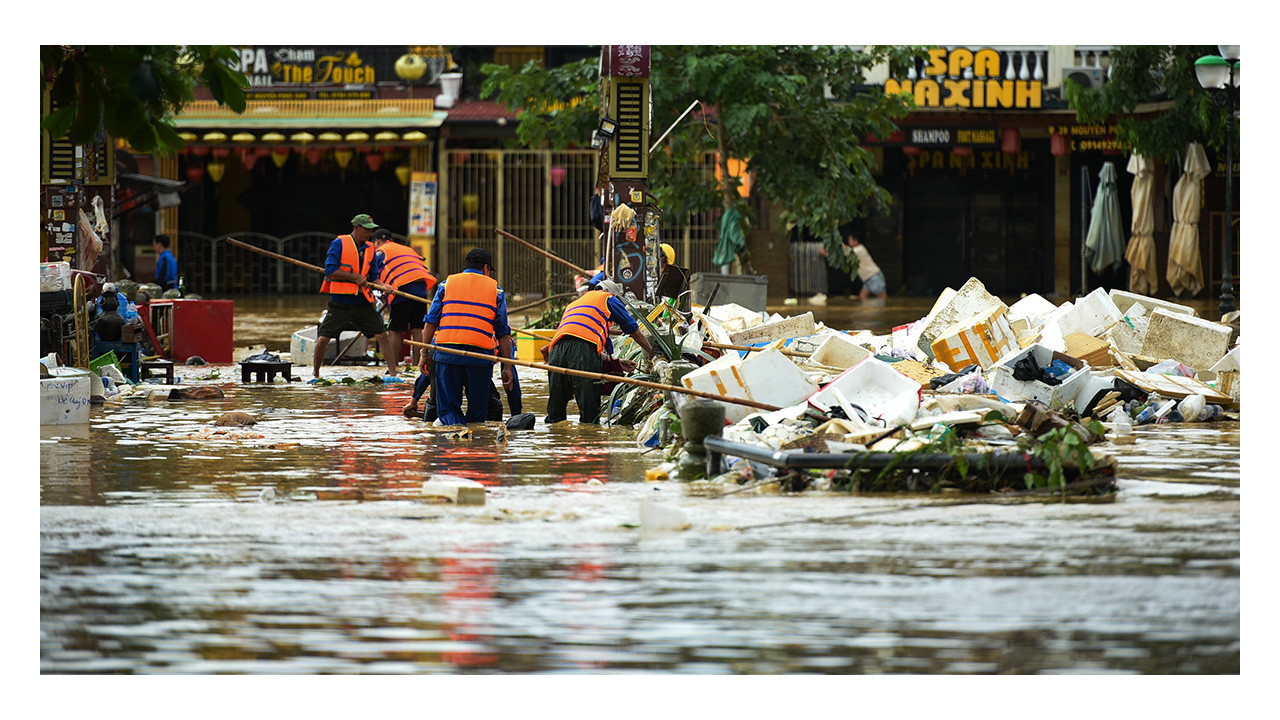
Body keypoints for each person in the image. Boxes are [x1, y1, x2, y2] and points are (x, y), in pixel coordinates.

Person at [420, 247, 514, 426]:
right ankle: (474, 448)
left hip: (446, 354)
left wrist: (425, 354)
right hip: (479, 358)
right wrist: (507, 367)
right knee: (477, 415)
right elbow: (503, 333)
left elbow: (430, 323)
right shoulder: (497, 291)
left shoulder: (445, 285)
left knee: (448, 412)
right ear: (486, 268)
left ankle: (454, 441)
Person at [544, 279, 654, 425]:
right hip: (581, 351)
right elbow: (633, 329)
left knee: (555, 413)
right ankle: (591, 442)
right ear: (612, 293)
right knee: (590, 415)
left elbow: (577, 341)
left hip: (556, 350)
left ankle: (555, 442)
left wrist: (615, 362)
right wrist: (651, 352)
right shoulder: (608, 298)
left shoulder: (574, 304)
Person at [312, 214, 399, 380]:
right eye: (367, 230)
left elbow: (374, 275)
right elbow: (330, 270)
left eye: (371, 230)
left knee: (382, 335)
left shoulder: (370, 249)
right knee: (323, 338)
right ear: (356, 228)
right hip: (340, 302)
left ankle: (393, 374)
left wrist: (383, 286)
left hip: (362, 302)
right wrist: (355, 277)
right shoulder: (339, 244)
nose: (370, 234)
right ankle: (315, 374)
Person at [372, 229, 437, 370]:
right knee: (417, 329)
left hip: (401, 289)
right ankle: (416, 366)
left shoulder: (380, 251)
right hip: (420, 289)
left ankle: (393, 365)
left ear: (377, 241)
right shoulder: (407, 249)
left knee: (395, 329)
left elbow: (371, 273)